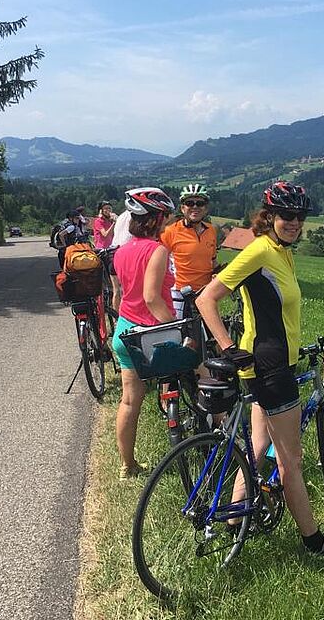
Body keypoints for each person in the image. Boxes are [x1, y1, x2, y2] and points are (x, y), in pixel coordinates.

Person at [196, 181, 324, 558]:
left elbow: (276, 310)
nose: (294, 222)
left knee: (258, 445)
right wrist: (228, 346)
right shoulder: (259, 251)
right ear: (269, 216)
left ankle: (234, 522)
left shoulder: (280, 251)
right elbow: (207, 298)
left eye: (299, 216)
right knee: (291, 461)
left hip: (273, 361)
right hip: (269, 367)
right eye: (286, 215)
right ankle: (314, 541)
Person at [110, 188, 177, 479]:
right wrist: (175, 327)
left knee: (129, 401)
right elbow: (151, 298)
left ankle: (128, 466)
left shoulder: (121, 251)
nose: (168, 221)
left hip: (125, 330)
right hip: (150, 333)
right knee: (199, 368)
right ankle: (216, 432)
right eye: (165, 216)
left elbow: (128, 291)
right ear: (153, 220)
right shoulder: (157, 251)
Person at [160, 183, 219, 319]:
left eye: (200, 203)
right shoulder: (170, 232)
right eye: (189, 203)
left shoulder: (211, 230)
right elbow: (158, 263)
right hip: (180, 294)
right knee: (181, 331)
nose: (195, 207)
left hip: (206, 292)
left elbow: (213, 260)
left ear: (206, 208)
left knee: (210, 331)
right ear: (182, 208)